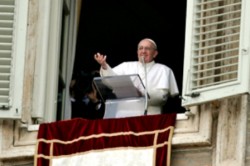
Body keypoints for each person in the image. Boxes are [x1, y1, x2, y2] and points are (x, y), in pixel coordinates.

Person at [93, 38, 179, 115]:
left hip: (150, 116)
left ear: (155, 53)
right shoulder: (125, 66)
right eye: (140, 48)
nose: (143, 51)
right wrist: (104, 66)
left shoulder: (164, 70)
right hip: (124, 115)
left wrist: (141, 93)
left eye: (147, 48)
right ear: (137, 52)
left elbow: (162, 97)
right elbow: (110, 82)